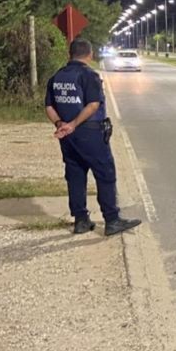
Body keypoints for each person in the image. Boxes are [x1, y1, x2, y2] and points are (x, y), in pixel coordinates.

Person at [45, 38, 141, 236]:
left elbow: (49, 106)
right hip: (90, 133)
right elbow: (93, 105)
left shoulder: (57, 77)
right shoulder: (89, 75)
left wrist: (60, 124)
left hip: (67, 137)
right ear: (90, 54)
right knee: (105, 174)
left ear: (70, 54)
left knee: (75, 175)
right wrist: (73, 124)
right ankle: (112, 219)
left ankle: (81, 220)